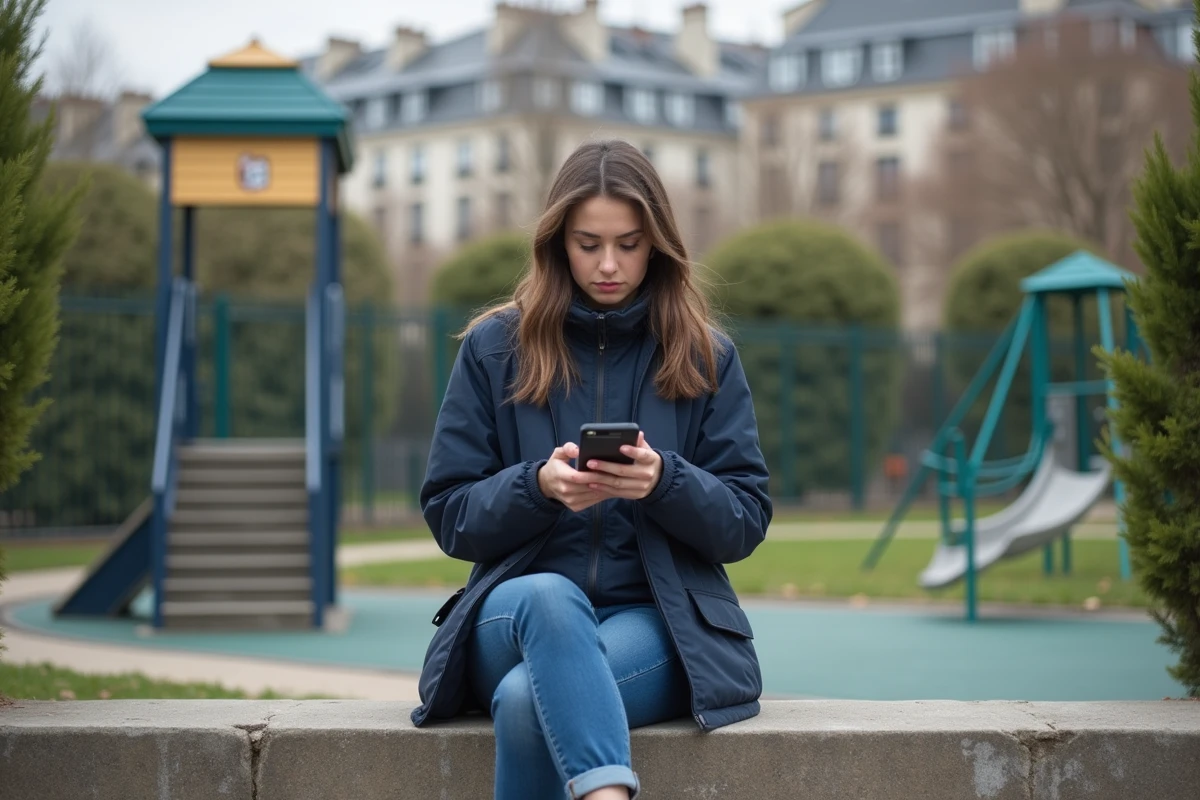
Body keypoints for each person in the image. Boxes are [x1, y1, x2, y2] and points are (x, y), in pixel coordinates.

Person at [411, 139, 772, 800]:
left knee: (526, 701)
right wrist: (537, 487)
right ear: (557, 244)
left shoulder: (705, 356)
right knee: (552, 596)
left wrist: (667, 482)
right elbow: (450, 513)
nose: (609, 264)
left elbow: (744, 520)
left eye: (630, 244)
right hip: (516, 617)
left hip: (653, 623)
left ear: (658, 243)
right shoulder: (497, 348)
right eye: (588, 244)